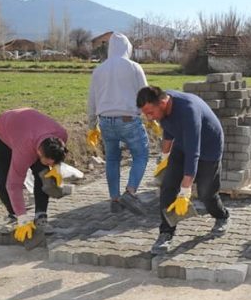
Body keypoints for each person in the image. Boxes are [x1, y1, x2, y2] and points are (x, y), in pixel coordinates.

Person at [136, 85, 230, 255]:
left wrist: (185, 191)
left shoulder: (188, 111)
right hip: (183, 143)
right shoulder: (163, 107)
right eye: (145, 113)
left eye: (150, 112)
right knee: (168, 186)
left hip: (209, 148)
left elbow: (193, 153)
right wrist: (165, 158)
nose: (149, 118)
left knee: (206, 193)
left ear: (163, 103)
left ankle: (222, 216)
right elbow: (168, 131)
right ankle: (166, 233)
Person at [87, 32, 150, 216]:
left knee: (112, 159)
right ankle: (130, 193)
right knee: (141, 154)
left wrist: (92, 124)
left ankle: (115, 200)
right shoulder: (133, 67)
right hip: (129, 119)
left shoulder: (99, 70)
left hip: (105, 120)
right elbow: (145, 94)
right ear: (127, 48)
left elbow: (92, 99)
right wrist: (150, 117)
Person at [0, 108, 68, 245]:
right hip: (3, 131)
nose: (50, 164)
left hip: (28, 127)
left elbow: (58, 155)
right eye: (48, 161)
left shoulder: (61, 134)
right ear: (39, 153)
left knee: (44, 175)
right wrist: (23, 217)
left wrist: (56, 167)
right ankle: (15, 216)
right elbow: (13, 185)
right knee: (3, 180)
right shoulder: (24, 150)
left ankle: (41, 217)